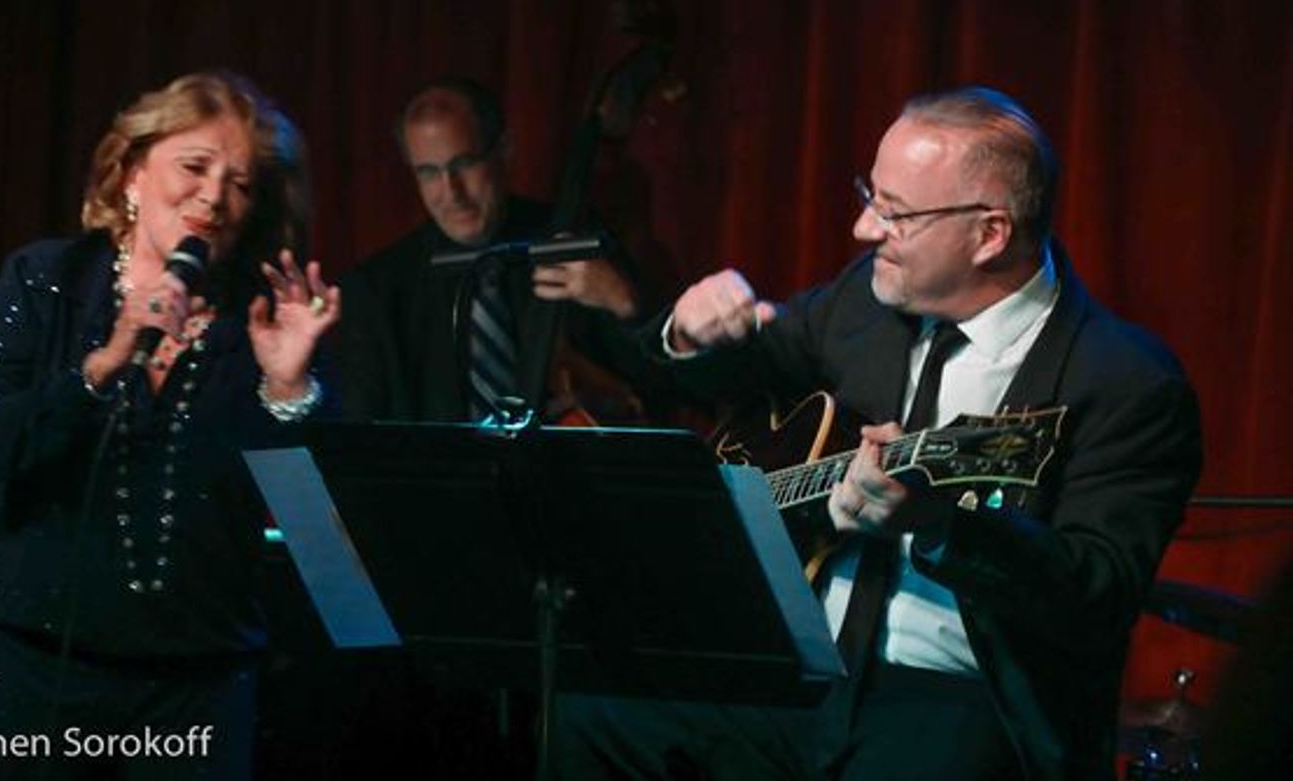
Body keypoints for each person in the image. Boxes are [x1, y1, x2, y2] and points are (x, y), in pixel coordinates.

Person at [556, 86, 1203, 780]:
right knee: (586, 714)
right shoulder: (865, 299)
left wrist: (944, 526)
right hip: (813, 670)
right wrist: (688, 330)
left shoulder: (1125, 381)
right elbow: (734, 371)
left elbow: (1096, 595)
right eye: (872, 195)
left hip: (967, 698)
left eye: (894, 213)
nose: (864, 229)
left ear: (989, 233)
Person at [0, 71, 340, 779]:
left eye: (240, 184)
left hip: (198, 684)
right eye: (194, 166)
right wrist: (102, 364)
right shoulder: (49, 279)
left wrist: (288, 388)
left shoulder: (268, 322)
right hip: (36, 667)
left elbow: (318, 541)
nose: (214, 197)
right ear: (130, 172)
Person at [336, 75, 656, 423]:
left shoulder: (574, 243)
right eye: (429, 172)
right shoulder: (379, 289)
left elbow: (661, 385)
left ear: (503, 151)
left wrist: (625, 304)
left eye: (464, 164)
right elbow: (360, 428)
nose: (452, 192)